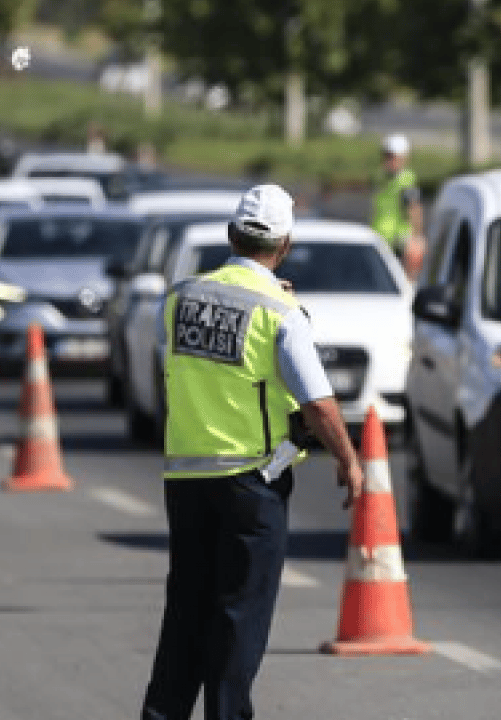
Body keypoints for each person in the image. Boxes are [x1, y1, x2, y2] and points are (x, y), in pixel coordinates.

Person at [140, 184, 364, 720]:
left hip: (186, 481)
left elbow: (201, 339)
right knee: (238, 621)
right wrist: (349, 460)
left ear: (230, 235)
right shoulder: (280, 312)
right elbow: (318, 404)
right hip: (251, 483)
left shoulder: (178, 299)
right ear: (285, 245)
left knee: (185, 615)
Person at [370, 133, 425, 278]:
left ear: (403, 158)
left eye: (393, 157)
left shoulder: (407, 180)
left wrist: (416, 238)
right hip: (379, 237)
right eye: (387, 156)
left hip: (399, 242)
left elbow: (414, 209)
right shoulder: (380, 177)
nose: (389, 161)